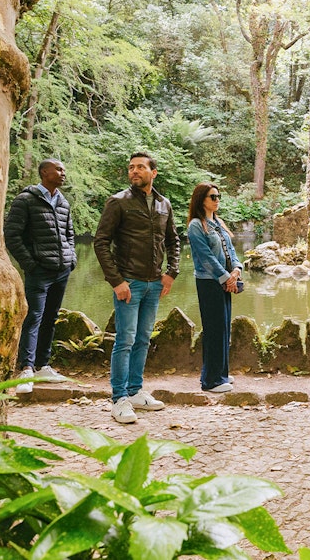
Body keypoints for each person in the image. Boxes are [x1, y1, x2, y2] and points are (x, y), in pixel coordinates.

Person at [94, 152, 181, 424]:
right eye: (131, 167)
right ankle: (119, 398)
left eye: (140, 167)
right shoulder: (118, 202)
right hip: (128, 283)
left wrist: (171, 273)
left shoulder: (164, 204)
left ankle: (134, 392)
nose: (134, 171)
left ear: (153, 172)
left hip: (154, 283)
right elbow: (100, 242)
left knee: (143, 339)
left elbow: (174, 242)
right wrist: (116, 281)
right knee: (125, 340)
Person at [4, 159, 76, 394]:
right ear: (45, 173)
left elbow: (69, 233)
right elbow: (12, 235)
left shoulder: (63, 202)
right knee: (33, 316)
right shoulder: (26, 200)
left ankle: (43, 365)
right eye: (59, 169)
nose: (63, 173)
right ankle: (26, 368)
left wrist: (71, 258)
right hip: (39, 271)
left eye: (64, 170)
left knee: (50, 317)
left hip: (61, 269)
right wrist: (30, 264)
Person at [187, 182, 242, 393]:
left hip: (226, 281)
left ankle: (222, 374)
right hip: (209, 282)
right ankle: (210, 381)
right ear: (202, 200)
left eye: (218, 196)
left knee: (224, 328)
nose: (217, 200)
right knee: (213, 330)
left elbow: (231, 251)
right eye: (213, 196)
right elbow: (206, 257)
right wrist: (226, 278)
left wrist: (236, 270)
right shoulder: (196, 226)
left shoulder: (218, 223)